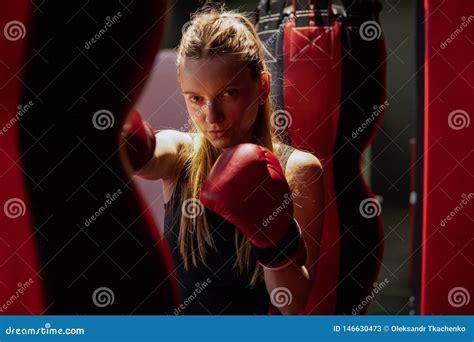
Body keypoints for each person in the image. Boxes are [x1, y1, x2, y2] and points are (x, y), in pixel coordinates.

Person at [120, 6, 325, 315]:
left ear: (262, 87)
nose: (211, 117)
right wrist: (121, 134)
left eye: (229, 93)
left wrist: (272, 236)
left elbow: (293, 305)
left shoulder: (299, 169)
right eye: (196, 99)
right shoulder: (180, 156)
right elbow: (146, 157)